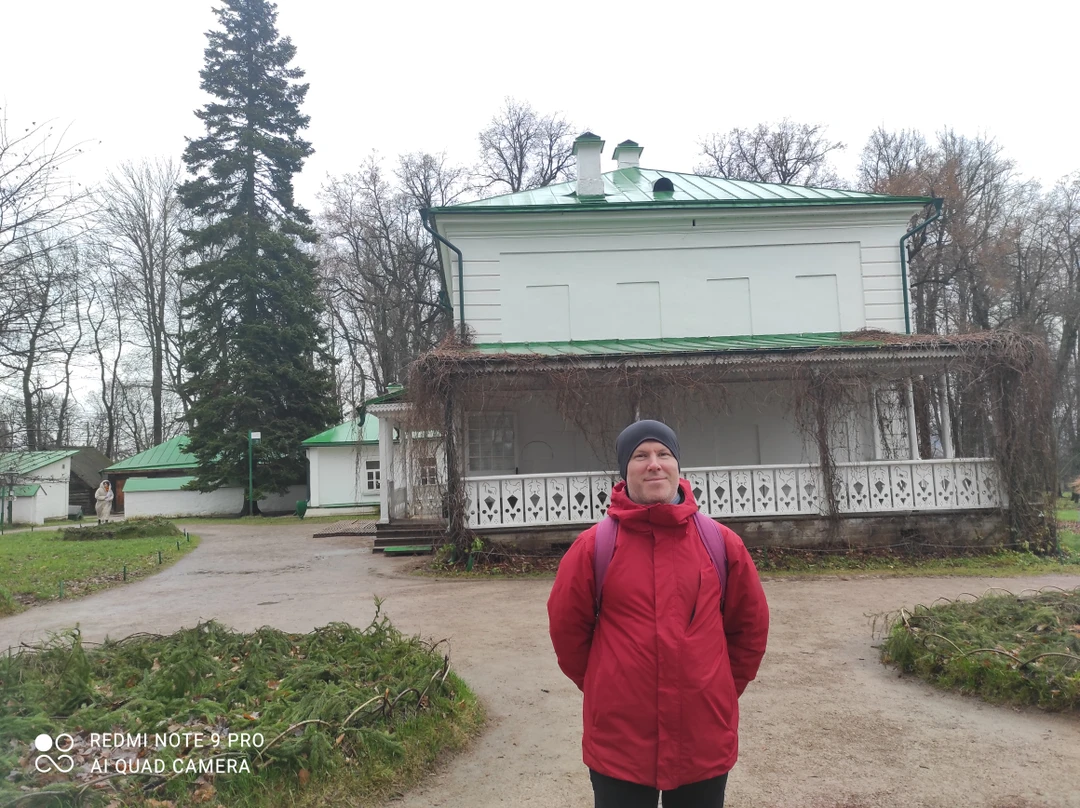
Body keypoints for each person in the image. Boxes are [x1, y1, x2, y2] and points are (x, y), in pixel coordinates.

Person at [548, 419, 770, 808]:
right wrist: (607, 685)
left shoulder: (722, 544)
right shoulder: (593, 548)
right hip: (620, 743)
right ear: (625, 471)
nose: (654, 464)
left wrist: (716, 688)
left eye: (663, 454)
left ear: (677, 466)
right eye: (640, 456)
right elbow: (568, 634)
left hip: (703, 737)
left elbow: (749, 629)